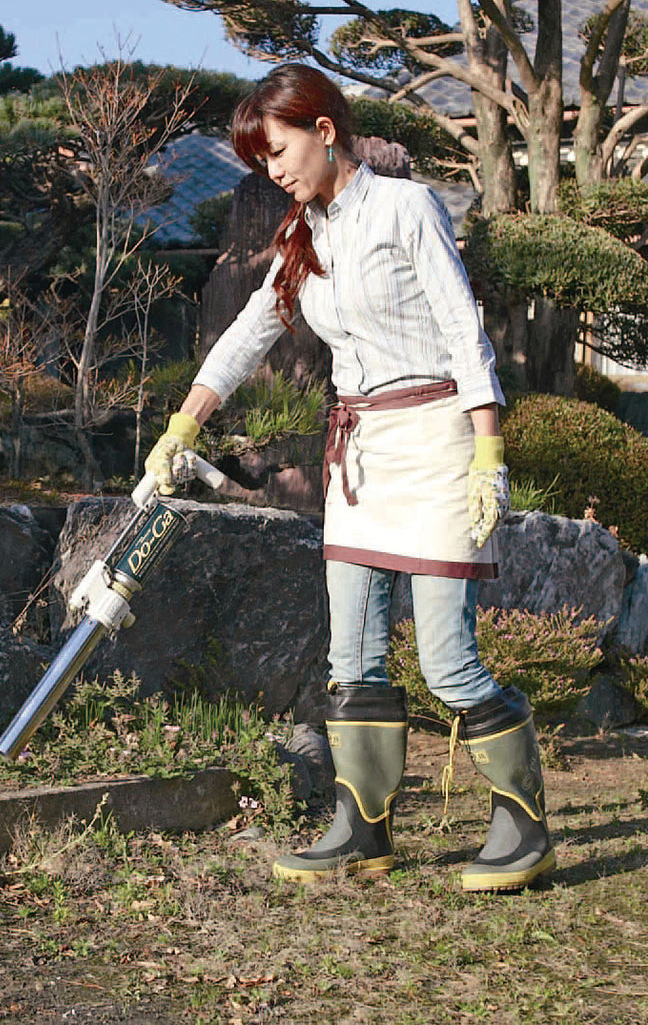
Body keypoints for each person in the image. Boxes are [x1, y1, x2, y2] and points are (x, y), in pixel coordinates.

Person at [145, 63, 554, 893]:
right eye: (261, 161)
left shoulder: (407, 207)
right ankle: (362, 829)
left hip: (436, 443)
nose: (273, 170)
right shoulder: (306, 233)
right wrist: (185, 421)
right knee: (352, 659)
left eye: (278, 150)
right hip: (360, 456)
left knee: (447, 662)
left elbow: (462, 327)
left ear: (324, 130)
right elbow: (250, 330)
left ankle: (524, 825)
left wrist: (488, 451)